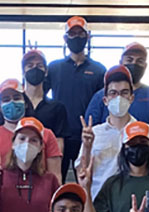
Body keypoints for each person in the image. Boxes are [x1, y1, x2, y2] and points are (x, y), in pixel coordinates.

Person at [76, 67, 149, 212]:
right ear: (105, 100)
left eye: (124, 93)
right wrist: (87, 146)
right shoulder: (94, 133)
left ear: (132, 98)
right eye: (113, 93)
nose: (119, 98)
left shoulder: (146, 131)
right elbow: (82, 173)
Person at [84, 41, 149, 150]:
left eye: (140, 61)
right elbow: (91, 129)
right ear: (121, 62)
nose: (134, 64)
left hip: (145, 161)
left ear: (145, 66)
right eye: (129, 60)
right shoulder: (100, 96)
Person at [46, 16, 106, 180]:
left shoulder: (99, 70)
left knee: (86, 181)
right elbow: (39, 95)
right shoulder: (54, 68)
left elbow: (104, 104)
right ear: (66, 38)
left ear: (88, 37)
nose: (77, 37)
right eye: (73, 34)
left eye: (81, 33)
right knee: (55, 182)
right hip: (59, 137)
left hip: (86, 138)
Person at [0, 79, 61, 186]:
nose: (12, 102)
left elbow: (56, 178)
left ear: (26, 103)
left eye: (17, 98)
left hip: (38, 198)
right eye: (6, 99)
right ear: (0, 107)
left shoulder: (46, 134)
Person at [19, 49, 69, 147]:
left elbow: (59, 141)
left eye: (39, 66)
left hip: (46, 160)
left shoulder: (57, 107)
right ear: (23, 72)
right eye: (30, 65)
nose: (35, 68)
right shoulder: (16, 104)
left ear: (46, 72)